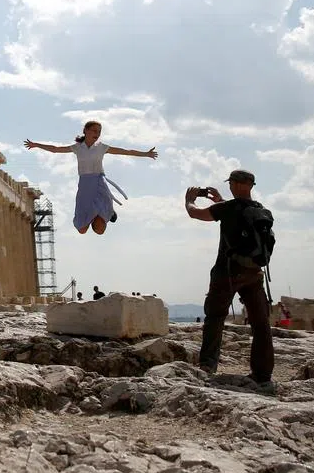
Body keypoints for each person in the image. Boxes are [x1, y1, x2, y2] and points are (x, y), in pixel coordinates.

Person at [184, 170, 274, 388]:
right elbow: (239, 215)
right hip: (254, 274)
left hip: (227, 272)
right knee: (261, 324)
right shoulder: (262, 211)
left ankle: (207, 366)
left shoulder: (228, 209)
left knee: (215, 317)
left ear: (234, 184)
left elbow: (196, 214)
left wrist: (189, 200)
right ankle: (262, 375)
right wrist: (220, 201)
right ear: (251, 186)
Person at [25, 121, 159, 235]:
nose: (97, 133)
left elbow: (125, 151)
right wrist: (36, 144)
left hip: (99, 183)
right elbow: (55, 149)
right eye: (94, 130)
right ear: (85, 131)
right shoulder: (77, 148)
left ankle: (107, 211)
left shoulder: (101, 147)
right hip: (84, 185)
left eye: (99, 131)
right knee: (82, 229)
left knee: (100, 230)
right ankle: (95, 213)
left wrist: (146, 154)